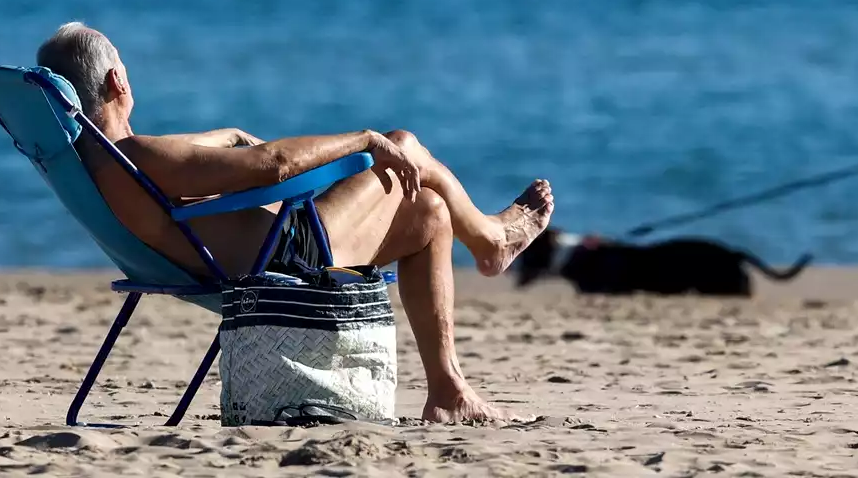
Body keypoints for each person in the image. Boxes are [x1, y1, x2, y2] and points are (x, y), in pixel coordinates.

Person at [35, 21, 556, 422]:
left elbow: (210, 154)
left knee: (427, 210)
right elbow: (274, 166)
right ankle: (490, 241)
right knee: (402, 145)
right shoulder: (138, 157)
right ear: (115, 79)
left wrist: (230, 136)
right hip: (286, 254)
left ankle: (449, 391)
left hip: (232, 254)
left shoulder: (98, 159)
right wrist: (362, 140)